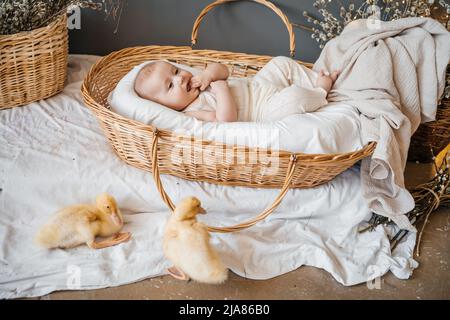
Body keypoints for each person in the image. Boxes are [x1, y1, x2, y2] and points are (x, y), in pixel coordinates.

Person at [134, 56, 339, 122]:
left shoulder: (197, 80)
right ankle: (321, 91)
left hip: (258, 84)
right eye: (170, 86)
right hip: (262, 110)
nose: (180, 79)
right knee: (293, 100)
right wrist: (221, 90)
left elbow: (222, 69)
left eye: (176, 71)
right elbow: (226, 120)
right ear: (164, 106)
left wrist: (209, 75)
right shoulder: (191, 113)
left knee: (280, 63)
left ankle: (317, 78)